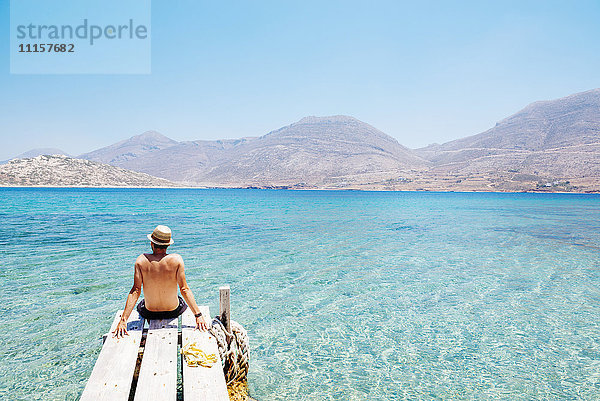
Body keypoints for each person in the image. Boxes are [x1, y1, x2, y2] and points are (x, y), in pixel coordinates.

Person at [113, 225, 208, 338]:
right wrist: (198, 315)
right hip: (172, 311)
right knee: (179, 298)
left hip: (150, 312)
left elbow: (135, 291)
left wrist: (123, 320)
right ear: (168, 245)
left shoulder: (141, 260)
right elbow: (184, 289)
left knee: (142, 303)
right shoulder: (177, 260)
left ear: (152, 243)